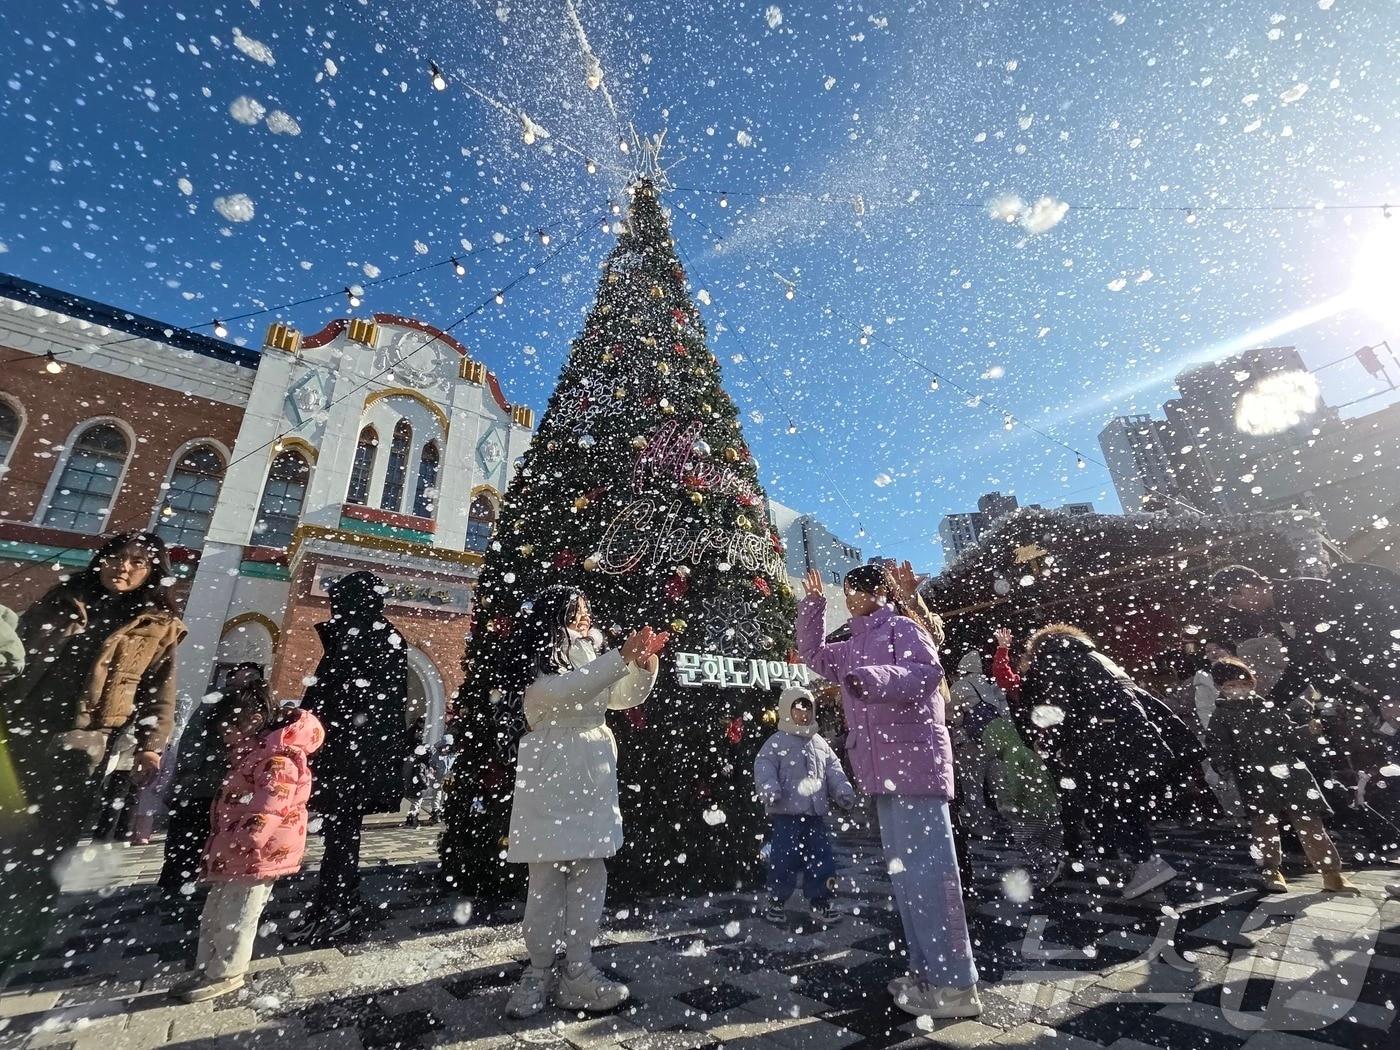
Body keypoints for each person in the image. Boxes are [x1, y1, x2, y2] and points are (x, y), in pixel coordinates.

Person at [797, 564, 981, 1021]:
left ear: (878, 591)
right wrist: (813, 607)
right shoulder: (852, 644)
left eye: (855, 590)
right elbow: (814, 656)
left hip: (914, 763)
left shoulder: (902, 627)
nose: (851, 598)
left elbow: (927, 671)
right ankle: (928, 973)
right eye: (846, 591)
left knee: (931, 872)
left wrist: (875, 679)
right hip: (883, 770)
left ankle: (955, 984)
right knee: (906, 876)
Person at [0, 532, 186, 962]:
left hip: (85, 738)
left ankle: (21, 930)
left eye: (138, 562)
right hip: (23, 721)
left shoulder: (158, 626)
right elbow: (17, 651)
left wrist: (150, 746)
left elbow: (160, 691)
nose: (124, 568)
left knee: (50, 837)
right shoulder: (62, 598)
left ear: (152, 572)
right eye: (117, 558)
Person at [502, 585, 666, 1019]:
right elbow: (563, 692)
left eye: (586, 610)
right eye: (578, 611)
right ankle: (537, 972)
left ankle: (578, 971)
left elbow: (619, 695)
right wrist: (619, 659)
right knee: (546, 881)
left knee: (590, 872)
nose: (585, 617)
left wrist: (642, 665)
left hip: (592, 775)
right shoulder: (540, 670)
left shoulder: (591, 659)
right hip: (553, 775)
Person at [1016, 623, 1210, 900]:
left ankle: (1145, 863)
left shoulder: (1054, 657)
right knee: (1122, 801)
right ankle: (1141, 863)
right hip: (1130, 734)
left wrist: (1048, 743)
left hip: (1103, 740)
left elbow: (1060, 707)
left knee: (1109, 803)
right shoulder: (1094, 656)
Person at [171, 682, 324, 1001]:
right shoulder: (252, 755)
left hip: (258, 853)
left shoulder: (277, 758)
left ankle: (227, 972)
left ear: (252, 721)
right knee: (215, 911)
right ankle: (208, 967)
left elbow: (272, 803)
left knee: (237, 914)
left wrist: (250, 835)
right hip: (235, 851)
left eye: (228, 729)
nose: (224, 737)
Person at [286, 571, 410, 946]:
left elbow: (341, 699)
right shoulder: (376, 636)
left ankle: (334, 907)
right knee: (343, 832)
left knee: (341, 833)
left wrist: (316, 730)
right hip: (354, 754)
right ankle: (341, 899)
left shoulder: (366, 638)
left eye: (339, 600)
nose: (333, 607)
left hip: (349, 754)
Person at [1204, 657, 1358, 895]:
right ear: (1221, 689)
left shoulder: (1267, 708)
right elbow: (1218, 747)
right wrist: (1224, 769)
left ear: (1251, 684)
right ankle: (1271, 870)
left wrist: (1309, 730)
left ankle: (1331, 873)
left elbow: (1290, 739)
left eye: (1242, 684)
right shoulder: (1222, 716)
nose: (1238, 690)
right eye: (1230, 686)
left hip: (1290, 772)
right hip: (1254, 777)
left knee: (1309, 823)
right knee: (1264, 825)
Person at [1209, 563, 1398, 709]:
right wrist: (1271, 705)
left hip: (1386, 680)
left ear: (1247, 587)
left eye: (1234, 601)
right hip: (1373, 688)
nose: (1237, 608)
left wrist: (1390, 694)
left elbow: (1360, 641)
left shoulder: (1303, 595)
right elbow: (1302, 665)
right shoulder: (1281, 609)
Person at [158, 663, 267, 908]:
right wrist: (193, 767)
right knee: (187, 835)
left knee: (206, 835)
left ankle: (191, 882)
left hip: (223, 784)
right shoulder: (217, 700)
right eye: (242, 675)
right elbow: (193, 738)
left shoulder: (253, 702)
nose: (246, 680)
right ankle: (177, 884)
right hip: (202, 782)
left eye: (252, 677)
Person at [755, 686, 856, 927]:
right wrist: (769, 789)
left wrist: (842, 790)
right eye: (798, 709)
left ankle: (820, 899)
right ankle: (777, 899)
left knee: (822, 859)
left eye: (807, 708)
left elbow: (833, 770)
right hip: (787, 814)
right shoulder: (776, 742)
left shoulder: (819, 742)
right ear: (786, 711)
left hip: (814, 816)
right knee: (783, 860)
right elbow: (764, 766)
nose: (803, 714)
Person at [982, 703, 1061, 886]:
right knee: (1049, 839)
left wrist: (1010, 802)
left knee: (1026, 840)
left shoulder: (1011, 756)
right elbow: (1046, 776)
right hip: (1048, 805)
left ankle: (1051, 864)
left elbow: (1015, 783)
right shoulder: (1025, 751)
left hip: (1030, 807)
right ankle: (1054, 864)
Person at [949, 649, 1006, 831]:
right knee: (999, 784)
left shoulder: (960, 686)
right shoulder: (990, 685)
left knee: (972, 785)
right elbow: (1004, 713)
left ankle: (981, 825)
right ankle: (1016, 822)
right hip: (995, 740)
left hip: (971, 742)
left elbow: (951, 715)